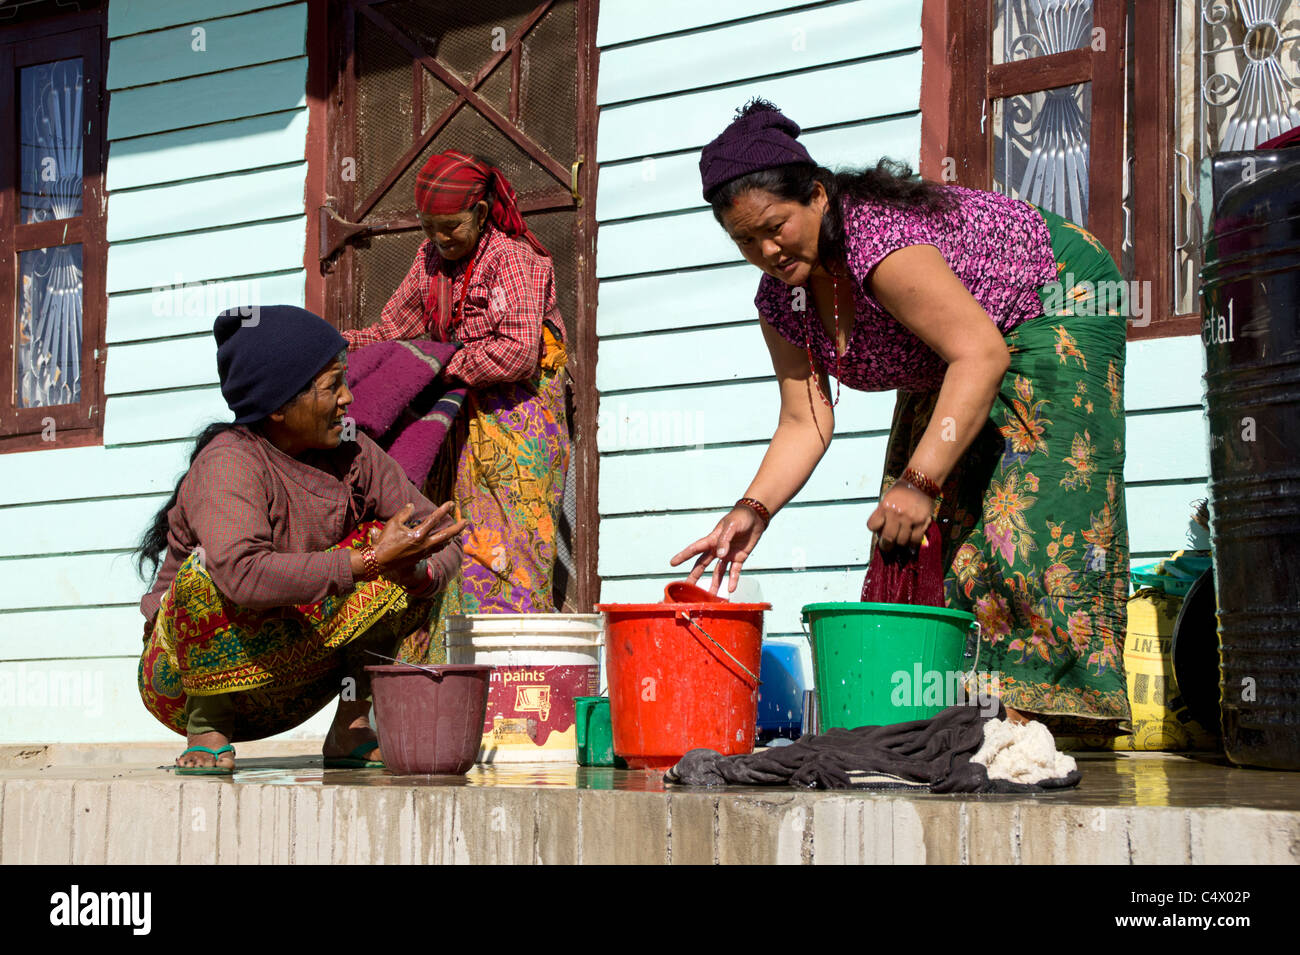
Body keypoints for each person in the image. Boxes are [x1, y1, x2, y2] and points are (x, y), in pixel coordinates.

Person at [671, 100, 1131, 737]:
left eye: (776, 226)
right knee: (921, 530)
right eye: (745, 240)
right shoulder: (782, 297)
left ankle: (1052, 712)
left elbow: (980, 352)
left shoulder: (877, 241)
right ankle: (956, 705)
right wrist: (753, 509)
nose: (768, 250)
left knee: (1026, 512)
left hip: (1052, 296)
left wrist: (920, 482)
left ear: (818, 195)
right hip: (953, 349)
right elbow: (806, 421)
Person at [135, 305, 467, 773]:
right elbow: (243, 576)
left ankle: (351, 729)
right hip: (183, 683)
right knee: (207, 574)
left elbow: (440, 535)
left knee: (402, 552)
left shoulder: (353, 453)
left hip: (290, 675)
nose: (349, 398)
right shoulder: (229, 463)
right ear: (278, 406)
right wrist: (369, 561)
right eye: (333, 385)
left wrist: (414, 568)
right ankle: (209, 725)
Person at [344, 150, 569, 662]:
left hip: (518, 423)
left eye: (451, 227)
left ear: (483, 213)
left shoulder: (513, 260)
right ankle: (451, 686)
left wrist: (438, 364)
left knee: (508, 547)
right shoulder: (429, 260)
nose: (441, 238)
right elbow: (388, 332)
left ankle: (510, 688)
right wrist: (330, 346)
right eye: (429, 227)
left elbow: (514, 353)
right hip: (456, 424)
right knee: (448, 539)